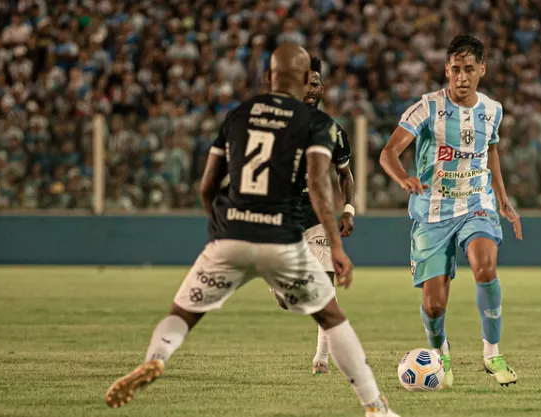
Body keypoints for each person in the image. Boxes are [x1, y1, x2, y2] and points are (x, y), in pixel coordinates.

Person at [104, 44, 399, 417]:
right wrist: (338, 246)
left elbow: (207, 187)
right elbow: (320, 189)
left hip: (231, 233)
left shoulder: (238, 116)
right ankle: (375, 407)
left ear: (268, 78)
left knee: (183, 311)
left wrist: (219, 229)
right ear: (304, 80)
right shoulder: (316, 124)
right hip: (281, 236)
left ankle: (158, 357)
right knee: (330, 315)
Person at [379, 35, 523, 388]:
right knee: (434, 306)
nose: (461, 77)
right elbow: (387, 153)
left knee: (485, 265)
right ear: (447, 70)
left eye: (469, 69)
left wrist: (503, 200)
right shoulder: (426, 108)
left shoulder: (493, 109)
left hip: (477, 204)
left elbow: (491, 152)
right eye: (455, 69)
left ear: (482, 70)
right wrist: (403, 178)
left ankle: (492, 353)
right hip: (432, 214)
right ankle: (439, 351)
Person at [271, 56, 356, 376]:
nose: (311, 88)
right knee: (285, 300)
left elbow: (345, 175)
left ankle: (321, 358)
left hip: (317, 218)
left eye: (316, 83)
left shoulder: (333, 131)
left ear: (322, 89)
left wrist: (348, 209)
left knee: (326, 284)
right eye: (305, 82)